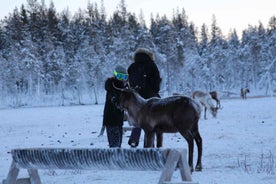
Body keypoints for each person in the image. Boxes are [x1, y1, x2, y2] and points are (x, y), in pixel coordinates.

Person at [127, 48, 162, 148]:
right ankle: (149, 144)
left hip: (136, 98)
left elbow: (129, 82)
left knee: (138, 119)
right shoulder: (151, 65)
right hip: (150, 98)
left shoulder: (132, 66)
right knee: (150, 122)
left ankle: (134, 139)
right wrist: (155, 91)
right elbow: (156, 81)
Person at [103, 65, 128, 147]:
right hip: (111, 120)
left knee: (118, 144)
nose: (122, 79)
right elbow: (113, 98)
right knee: (114, 145)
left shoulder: (122, 87)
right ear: (115, 75)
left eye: (124, 77)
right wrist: (117, 102)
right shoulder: (112, 86)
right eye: (120, 76)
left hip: (118, 120)